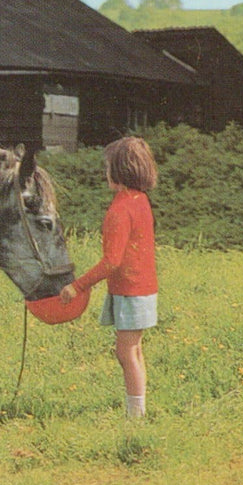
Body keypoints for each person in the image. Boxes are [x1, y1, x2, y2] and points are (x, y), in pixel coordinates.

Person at [60, 136, 158, 418]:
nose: (105, 174)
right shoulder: (140, 200)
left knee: (126, 353)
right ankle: (137, 410)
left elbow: (111, 262)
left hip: (130, 290)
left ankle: (135, 417)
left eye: (108, 168)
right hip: (142, 287)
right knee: (134, 351)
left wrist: (77, 287)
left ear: (119, 172)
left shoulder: (120, 208)